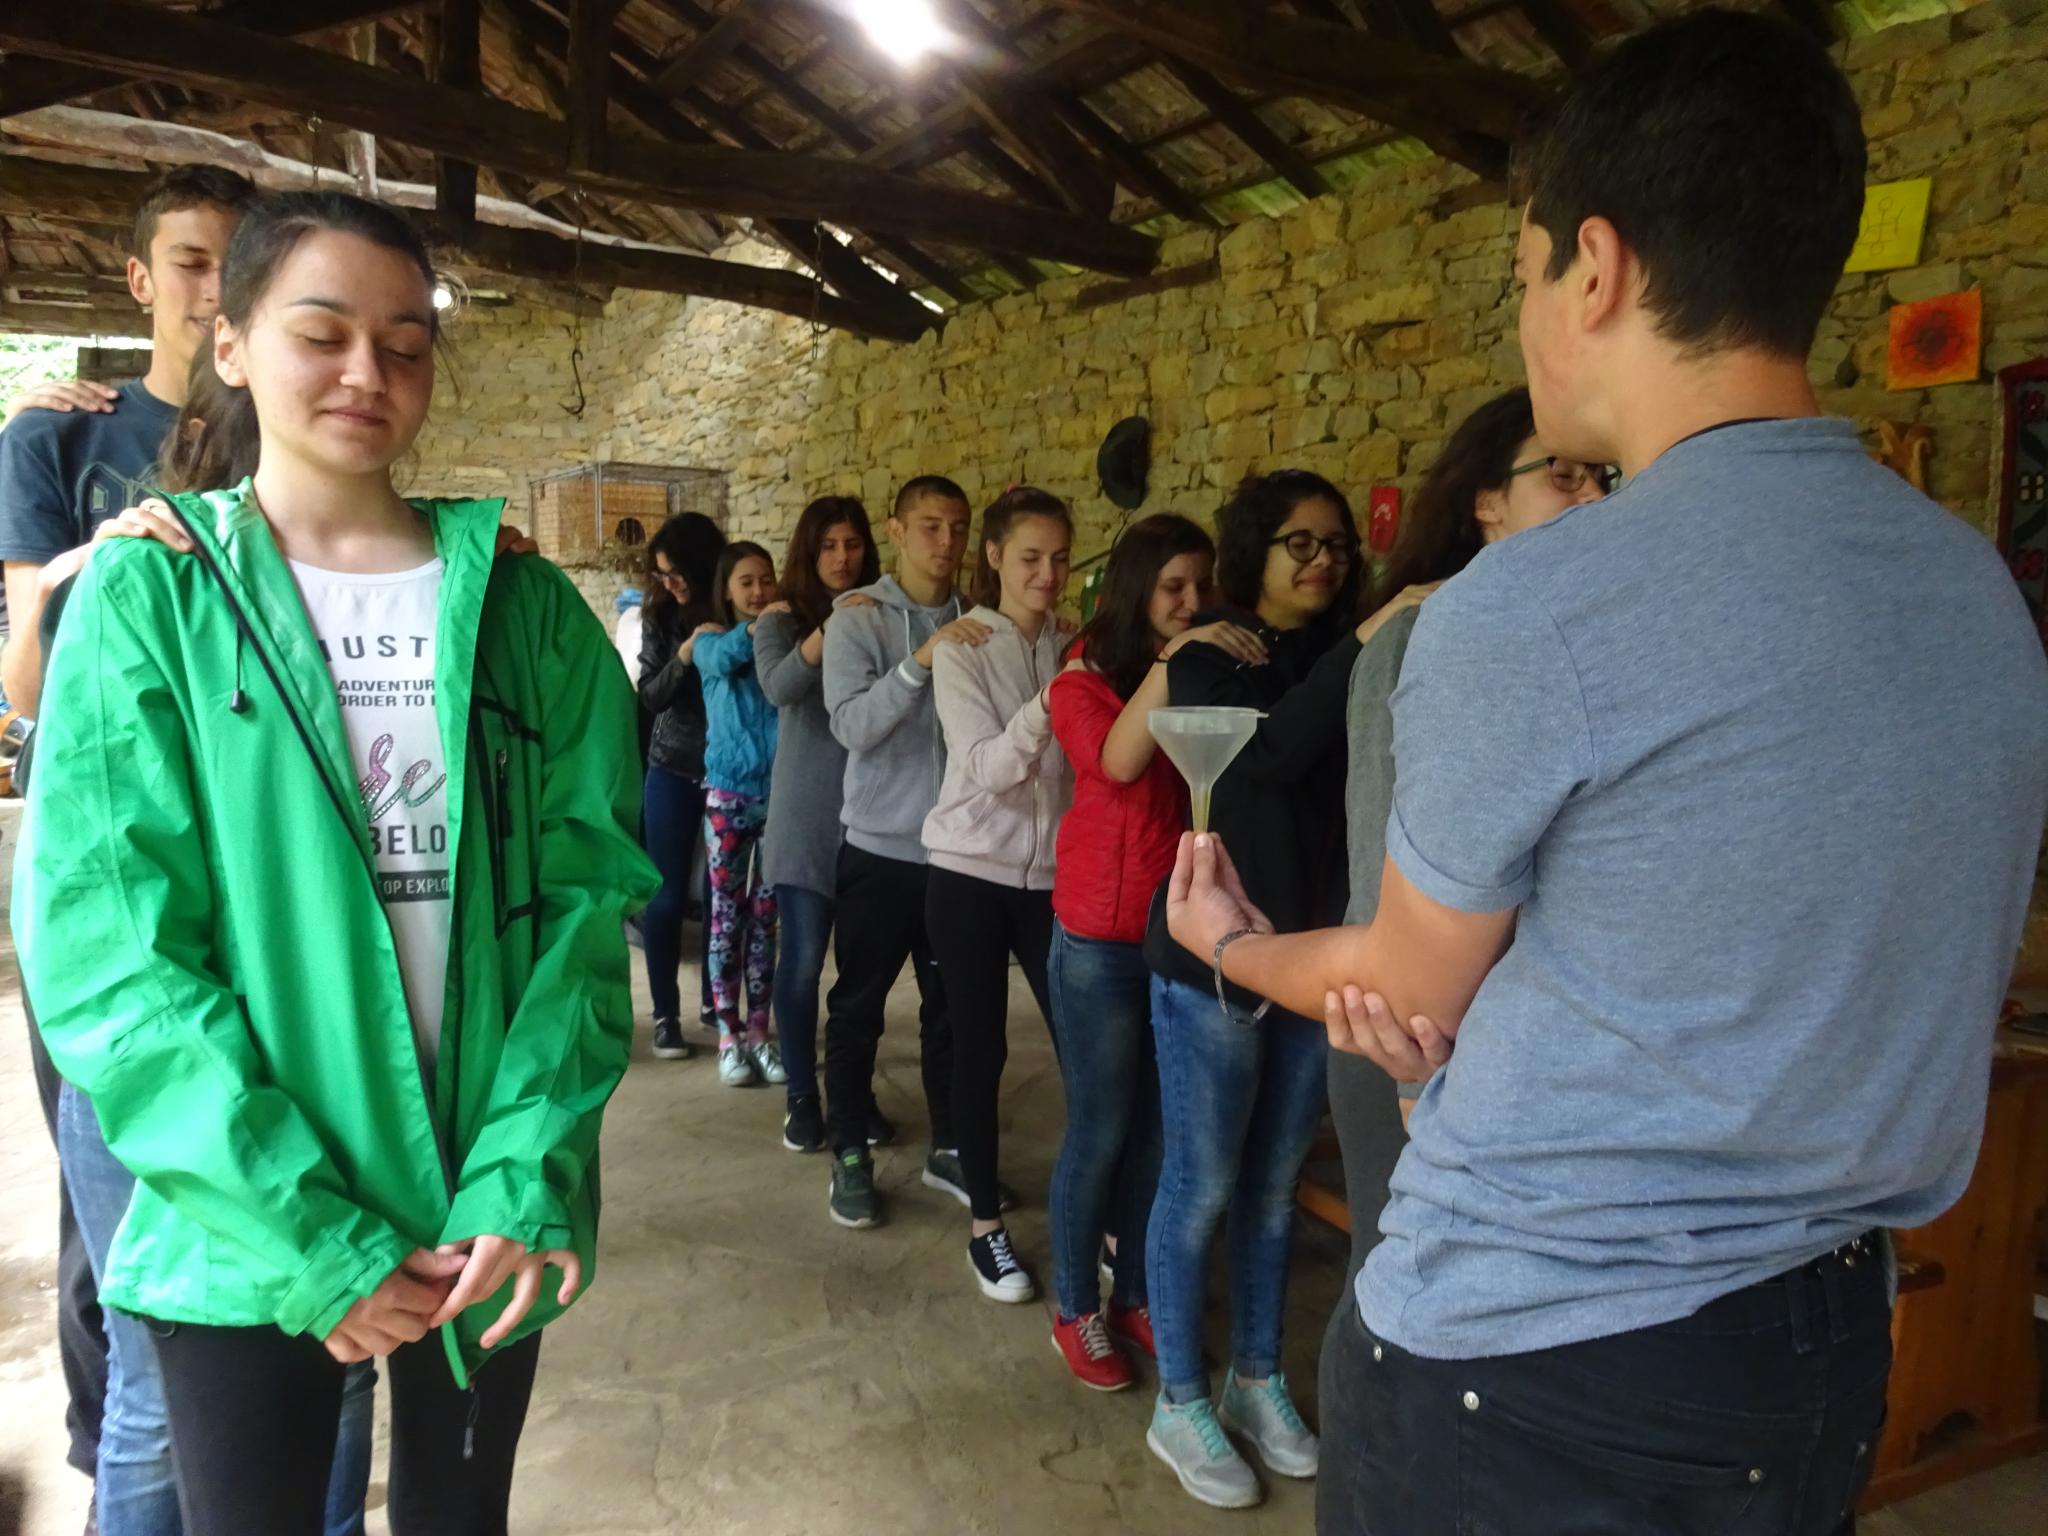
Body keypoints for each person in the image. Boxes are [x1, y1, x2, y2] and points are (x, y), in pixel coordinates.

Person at [1163, 13, 2048, 1536]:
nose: (1526, 321)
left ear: (1596, 267)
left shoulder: (1537, 605)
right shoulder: (1969, 590)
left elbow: (1409, 987)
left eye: (1521, 277)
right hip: (1824, 1341)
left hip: (1532, 1360)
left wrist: (1230, 944)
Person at [15, 190, 658, 1535]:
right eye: (322, 334)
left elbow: (585, 913)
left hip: (483, 1204)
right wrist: (309, 1235)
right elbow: (112, 950)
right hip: (245, 1222)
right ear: (231, 343)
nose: (368, 371)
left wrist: (523, 1168)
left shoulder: (529, 613)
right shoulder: (156, 597)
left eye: (405, 343)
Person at [0, 165, 258, 1518]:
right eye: (192, 260)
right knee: (116, 1239)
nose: (215, 286)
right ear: (140, 278)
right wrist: (107, 564)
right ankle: (117, 1473)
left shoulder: (281, 430)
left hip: (246, 869)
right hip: (105, 876)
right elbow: (24, 686)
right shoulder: (60, 438)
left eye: (236, 261)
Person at [1330, 387, 1607, 1286]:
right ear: (1487, 500)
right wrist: (1414, 1076)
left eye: (1604, 477)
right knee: (1400, 1287)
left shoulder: (1583, 637)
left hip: (1524, 1047)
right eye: (1562, 475)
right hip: (1406, 1039)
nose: (1593, 497)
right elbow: (1378, 860)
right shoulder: (1420, 634)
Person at [1139, 470, 1372, 1509]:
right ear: (1255, 553)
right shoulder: (1209, 654)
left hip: (1312, 959)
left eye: (1335, 545)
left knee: (1274, 1189)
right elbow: (1269, 755)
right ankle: (1179, 1398)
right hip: (1211, 966)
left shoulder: (1342, 653)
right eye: (1299, 543)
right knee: (1200, 1187)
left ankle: (1256, 1377)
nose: (1321, 562)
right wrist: (1365, 642)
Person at [1044, 514, 1266, 1388]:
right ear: (1137, 591)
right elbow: (1120, 760)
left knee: (1156, 1133)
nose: (1190, 602)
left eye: (1200, 586)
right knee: (1099, 1129)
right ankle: (1074, 1308)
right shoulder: (1080, 680)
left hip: (1174, 937)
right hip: (1098, 940)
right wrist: (1179, 658)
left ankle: (1134, 1291)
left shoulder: (1198, 669)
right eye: (1172, 587)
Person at [819, 476, 988, 1229]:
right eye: (929, 526)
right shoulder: (858, 619)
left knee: (951, 1010)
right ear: (896, 530)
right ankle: (849, 1151)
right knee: (858, 1008)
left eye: (958, 527)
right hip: (879, 849)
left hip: (958, 853)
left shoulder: (980, 620)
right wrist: (920, 660)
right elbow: (852, 726)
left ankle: (951, 1146)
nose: (946, 542)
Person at [921, 486, 1075, 1301]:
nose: (1047, 574)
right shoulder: (965, 648)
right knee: (981, 1052)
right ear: (994, 557)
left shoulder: (1075, 643)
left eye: (1060, 559)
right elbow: (986, 766)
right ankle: (986, 1228)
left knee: (1084, 1048)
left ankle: (1100, 1221)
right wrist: (1052, 700)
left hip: (1054, 883)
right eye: (1030, 558)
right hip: (968, 875)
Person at [754, 496, 881, 1153]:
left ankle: (854, 1095)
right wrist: (832, 626)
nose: (841, 557)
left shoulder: (884, 613)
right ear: (809, 551)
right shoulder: (780, 620)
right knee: (802, 965)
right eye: (828, 545)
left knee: (864, 977)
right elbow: (778, 687)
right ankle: (802, 1094)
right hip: (805, 816)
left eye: (852, 544)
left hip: (873, 817)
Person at [690, 541, 785, 1087]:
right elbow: (725, 658)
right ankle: (728, 1036)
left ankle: (759, 1035)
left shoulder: (780, 640)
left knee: (766, 919)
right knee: (727, 916)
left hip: (779, 798)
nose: (758, 591)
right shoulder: (709, 643)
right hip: (728, 796)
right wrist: (756, 630)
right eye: (746, 582)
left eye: (766, 580)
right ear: (727, 591)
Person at [636, 512, 727, 1061]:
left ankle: (717, 1002)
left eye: (676, 573)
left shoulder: (733, 607)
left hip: (727, 770)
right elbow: (650, 694)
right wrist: (685, 654)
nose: (668, 584)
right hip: (670, 763)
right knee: (665, 897)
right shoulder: (660, 616)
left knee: (722, 894)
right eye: (661, 575)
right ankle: (665, 1016)